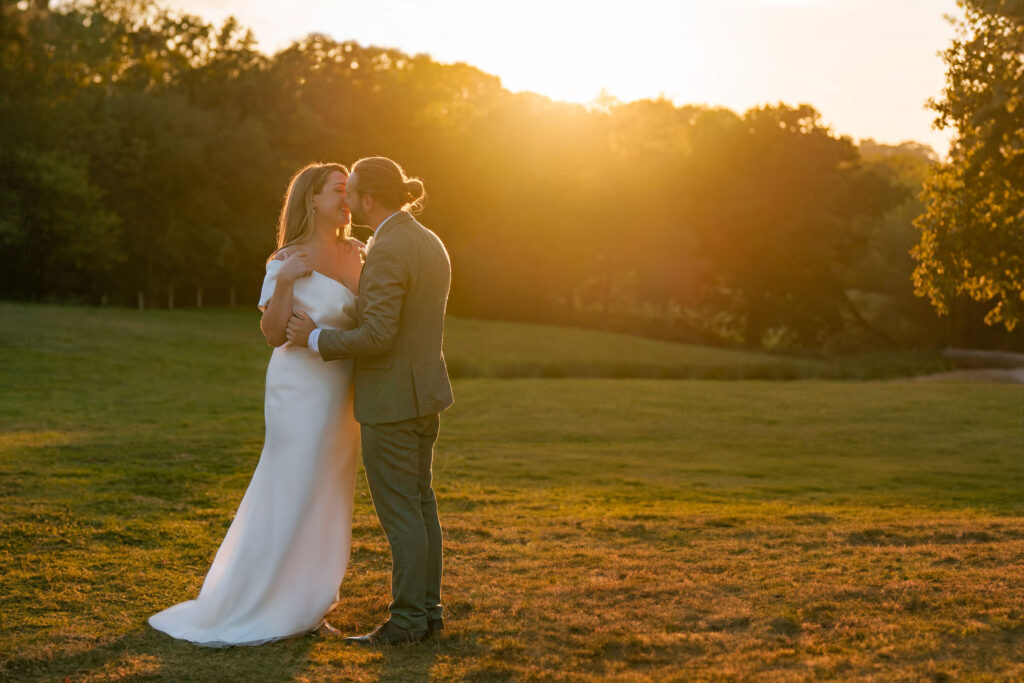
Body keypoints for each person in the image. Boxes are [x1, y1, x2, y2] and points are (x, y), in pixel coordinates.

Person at [148, 162, 365, 646]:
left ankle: (310, 601)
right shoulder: (286, 258)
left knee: (329, 492)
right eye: (338, 189)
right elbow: (272, 335)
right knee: (291, 486)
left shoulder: (360, 254)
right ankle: (264, 600)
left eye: (350, 190)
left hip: (342, 391)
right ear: (312, 198)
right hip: (298, 391)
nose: (347, 198)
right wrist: (286, 279)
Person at [286, 156, 453, 646]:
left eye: (351, 191)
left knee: (403, 513)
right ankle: (428, 613)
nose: (346, 199)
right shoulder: (426, 239)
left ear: (368, 199)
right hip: (425, 396)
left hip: (392, 401)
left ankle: (406, 622)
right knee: (421, 507)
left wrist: (317, 338)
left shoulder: (388, 248)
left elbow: (379, 333)